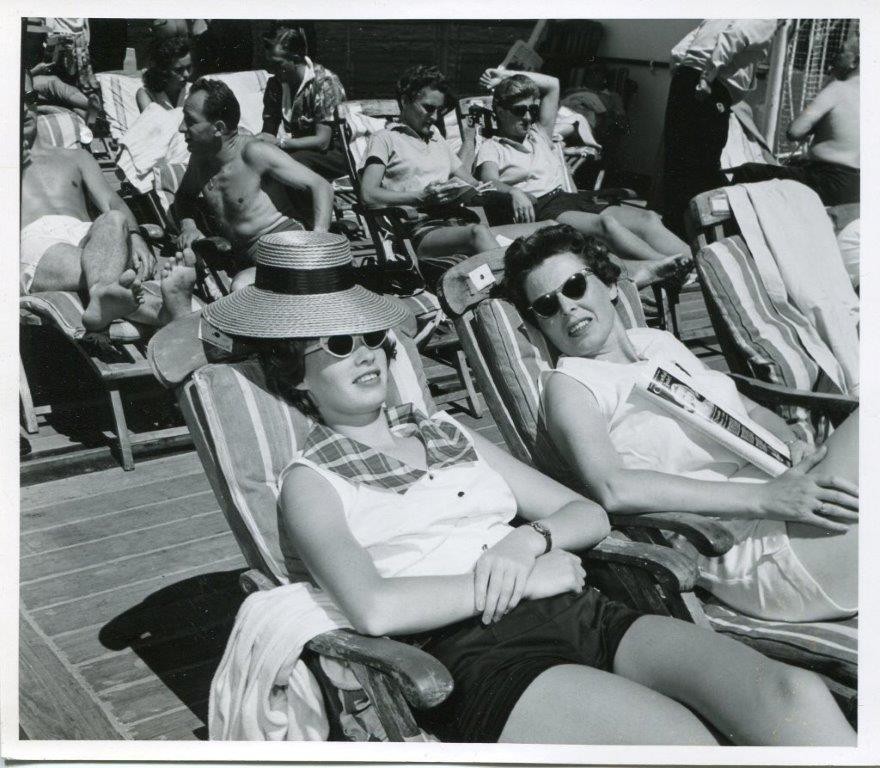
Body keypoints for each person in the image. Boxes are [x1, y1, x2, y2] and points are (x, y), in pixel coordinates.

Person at [200, 230, 853, 745]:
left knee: (790, 696)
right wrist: (524, 579)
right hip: (476, 652)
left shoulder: (446, 432)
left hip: (582, 610)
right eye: (339, 344)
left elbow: (586, 512)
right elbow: (374, 610)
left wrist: (527, 542)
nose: (368, 352)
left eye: (372, 336)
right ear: (295, 374)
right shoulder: (311, 483)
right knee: (679, 741)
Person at [503, 224, 858, 623]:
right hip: (754, 551)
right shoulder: (570, 385)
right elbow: (613, 487)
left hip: (792, 498)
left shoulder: (657, 343)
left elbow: (750, 411)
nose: (567, 308)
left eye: (574, 286)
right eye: (546, 305)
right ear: (540, 324)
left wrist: (791, 441)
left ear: (610, 285)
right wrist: (765, 498)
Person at [475, 67, 692, 288]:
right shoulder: (492, 146)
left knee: (647, 218)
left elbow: (552, 84)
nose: (528, 117)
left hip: (568, 199)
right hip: (543, 208)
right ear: (500, 110)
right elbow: (488, 181)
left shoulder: (539, 133)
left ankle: (698, 260)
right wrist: (514, 191)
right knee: (607, 225)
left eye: (532, 109)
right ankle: (670, 267)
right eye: (519, 110)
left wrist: (505, 76)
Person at [20, 72, 197, 329]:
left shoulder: (76, 157)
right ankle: (161, 311)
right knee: (107, 270)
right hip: (35, 241)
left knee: (114, 219)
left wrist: (135, 237)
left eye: (30, 97)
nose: (25, 108)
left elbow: (112, 203)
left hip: (89, 237)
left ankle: (103, 295)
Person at [360, 65, 547, 283]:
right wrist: (419, 197)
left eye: (439, 110)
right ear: (405, 101)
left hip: (459, 223)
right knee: (478, 233)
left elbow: (470, 182)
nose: (434, 117)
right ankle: (521, 290)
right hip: (421, 230)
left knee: (548, 227)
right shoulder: (385, 139)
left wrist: (510, 192)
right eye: (428, 108)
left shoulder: (436, 138)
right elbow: (368, 194)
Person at [174, 77, 334, 286]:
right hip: (243, 256)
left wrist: (319, 243)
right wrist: (188, 226)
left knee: (241, 286)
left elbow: (321, 186)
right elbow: (184, 196)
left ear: (218, 127)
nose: (181, 127)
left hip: (283, 245)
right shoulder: (199, 158)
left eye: (190, 121)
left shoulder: (254, 152)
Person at [661, 19, 782, 235]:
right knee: (703, 164)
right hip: (710, 87)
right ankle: (692, 232)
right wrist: (707, 78)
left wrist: (684, 80)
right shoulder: (767, 17)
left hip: (684, 79)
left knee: (677, 160)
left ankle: (670, 226)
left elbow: (678, 51)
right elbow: (734, 36)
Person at [727, 31, 859, 206]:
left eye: (841, 51)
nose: (835, 56)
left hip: (827, 181)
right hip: (856, 186)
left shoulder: (838, 88)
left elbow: (794, 132)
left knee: (748, 171)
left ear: (854, 62)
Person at [257, 26, 348, 181]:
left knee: (291, 164)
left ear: (296, 59)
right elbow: (268, 133)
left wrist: (280, 143)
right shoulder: (275, 85)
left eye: (277, 64)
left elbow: (322, 142)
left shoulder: (324, 82)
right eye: (269, 64)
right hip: (301, 152)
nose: (271, 70)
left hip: (336, 154)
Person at [136, 35, 194, 112]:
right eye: (178, 70)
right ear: (162, 70)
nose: (186, 74)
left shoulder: (194, 91)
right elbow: (150, 119)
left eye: (189, 67)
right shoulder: (146, 94)